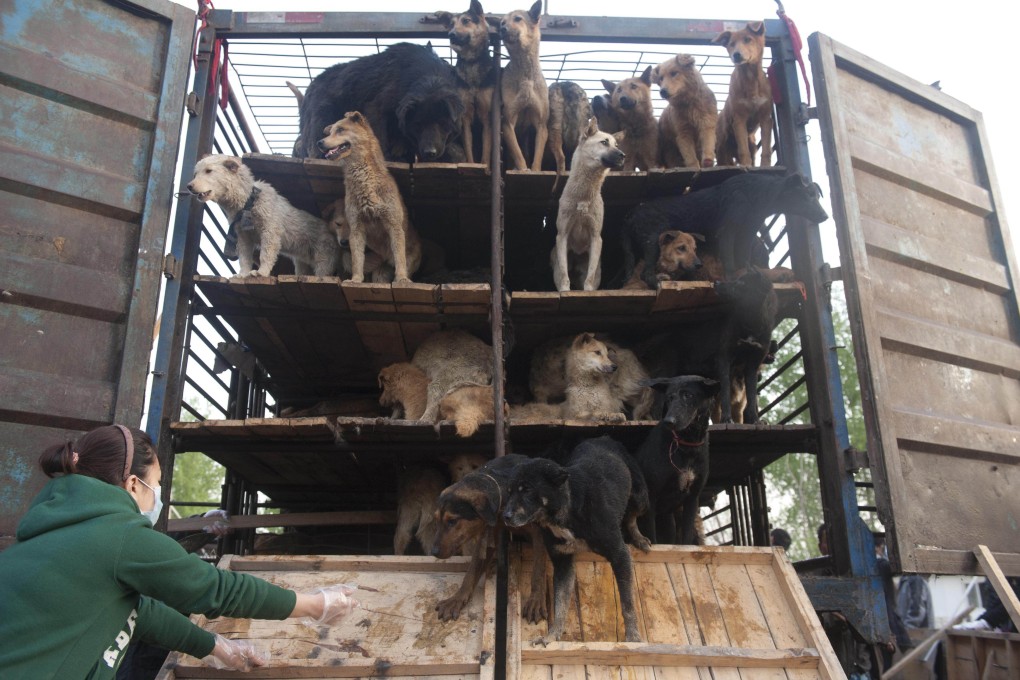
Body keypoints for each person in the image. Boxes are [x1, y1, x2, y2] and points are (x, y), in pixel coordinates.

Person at [0, 424, 359, 679]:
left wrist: (214, 646)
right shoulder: (117, 536)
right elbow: (214, 588)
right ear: (132, 484)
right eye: (156, 484)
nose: (157, 493)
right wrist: (314, 605)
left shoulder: (48, 534)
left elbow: (138, 612)